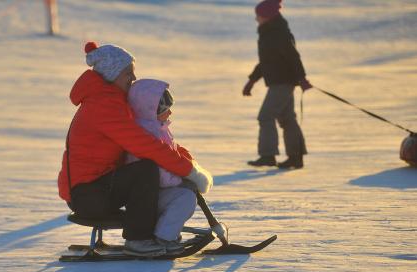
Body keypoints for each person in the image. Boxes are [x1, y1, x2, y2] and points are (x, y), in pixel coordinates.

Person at [58, 41, 212, 257]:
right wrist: (187, 171)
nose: (133, 78)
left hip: (92, 190)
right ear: (112, 75)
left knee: (145, 169)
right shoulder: (104, 106)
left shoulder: (110, 100)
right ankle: (139, 240)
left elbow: (153, 139)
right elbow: (145, 145)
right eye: (127, 73)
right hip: (88, 196)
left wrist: (183, 161)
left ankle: (157, 230)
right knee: (145, 168)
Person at [125, 78, 207, 255]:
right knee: (184, 199)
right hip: (151, 193)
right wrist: (181, 178)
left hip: (156, 190)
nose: (170, 113)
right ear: (150, 110)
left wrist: (186, 163)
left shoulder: (157, 127)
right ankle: (165, 237)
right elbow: (158, 171)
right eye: (164, 109)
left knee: (184, 195)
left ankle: (167, 234)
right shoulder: (146, 133)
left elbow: (172, 151)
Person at [243, 0, 312, 169]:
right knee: (287, 119)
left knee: (265, 116)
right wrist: (252, 80)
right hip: (280, 82)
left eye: (258, 15)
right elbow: (266, 62)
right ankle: (296, 158)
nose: (256, 19)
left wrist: (302, 78)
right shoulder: (269, 33)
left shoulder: (278, 33)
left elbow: (293, 57)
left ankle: (268, 155)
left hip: (282, 83)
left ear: (267, 16)